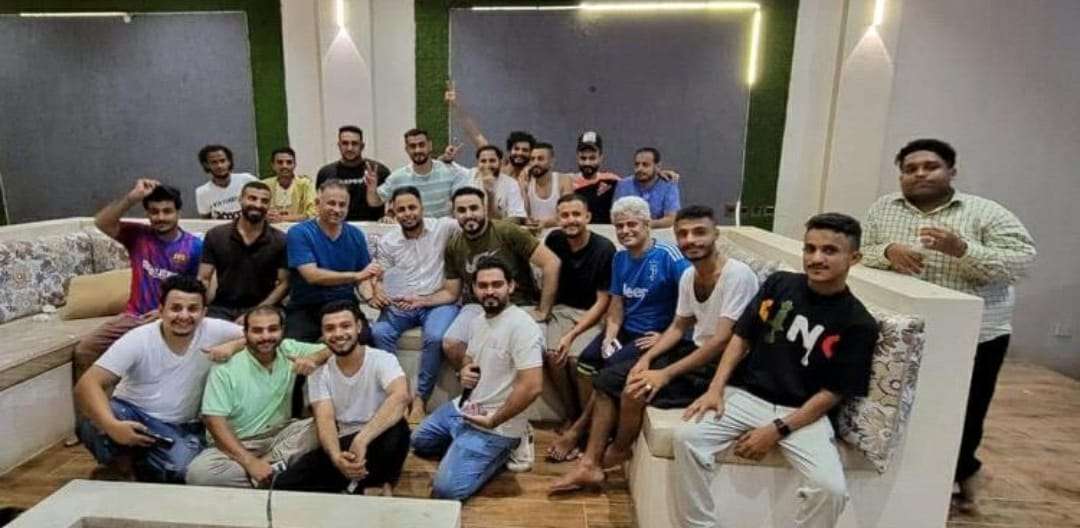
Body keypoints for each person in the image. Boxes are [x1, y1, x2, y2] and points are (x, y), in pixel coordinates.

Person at [861, 139, 1036, 513]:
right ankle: (937, 476)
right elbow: (862, 252)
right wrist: (888, 251)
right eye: (910, 169)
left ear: (951, 171)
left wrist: (962, 250)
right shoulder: (883, 209)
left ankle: (958, 475)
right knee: (914, 411)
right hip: (905, 334)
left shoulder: (986, 213)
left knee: (964, 413)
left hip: (977, 335)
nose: (920, 174)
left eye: (931, 166)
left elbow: (1020, 264)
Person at [672, 213, 879, 528]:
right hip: (748, 395)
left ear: (854, 258)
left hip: (803, 412)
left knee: (831, 489)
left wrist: (776, 430)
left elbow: (833, 393)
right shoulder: (780, 284)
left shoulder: (858, 322)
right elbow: (741, 337)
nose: (816, 258)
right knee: (687, 438)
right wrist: (715, 389)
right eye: (810, 248)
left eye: (829, 251)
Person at [550, 205, 758, 489]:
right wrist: (646, 359)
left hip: (724, 365)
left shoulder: (737, 275)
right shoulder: (690, 276)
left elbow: (721, 340)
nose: (691, 240)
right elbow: (678, 326)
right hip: (691, 350)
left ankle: (619, 449)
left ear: (716, 234)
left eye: (699, 232)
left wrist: (664, 373)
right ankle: (589, 465)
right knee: (607, 378)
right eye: (683, 234)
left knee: (634, 388)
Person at [546, 196, 689, 485]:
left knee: (608, 373)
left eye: (632, 224)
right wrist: (610, 334)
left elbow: (693, 302)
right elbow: (617, 304)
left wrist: (667, 334)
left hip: (653, 337)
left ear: (647, 224)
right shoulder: (620, 259)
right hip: (625, 330)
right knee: (586, 362)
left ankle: (579, 433)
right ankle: (593, 429)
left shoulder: (669, 256)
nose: (625, 231)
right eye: (620, 226)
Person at [74, 276, 243, 483]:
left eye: (192, 309)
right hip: (131, 413)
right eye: (176, 308)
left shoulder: (215, 329)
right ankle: (121, 465)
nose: (184, 315)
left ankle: (137, 467)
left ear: (203, 313)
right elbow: (87, 384)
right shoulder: (139, 338)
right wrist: (112, 426)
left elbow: (262, 336)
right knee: (92, 421)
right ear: (161, 310)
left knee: (183, 471)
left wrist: (233, 346)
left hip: (179, 426)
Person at [410, 257, 544, 501]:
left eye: (497, 284)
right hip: (467, 408)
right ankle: (462, 443)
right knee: (420, 441)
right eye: (483, 285)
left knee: (446, 491)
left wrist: (494, 420)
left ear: (511, 286)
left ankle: (512, 444)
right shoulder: (478, 320)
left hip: (498, 424)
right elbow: (469, 359)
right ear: (473, 289)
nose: (489, 291)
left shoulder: (523, 327)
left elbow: (532, 386)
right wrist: (464, 369)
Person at [185, 306, 330, 488]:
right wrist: (250, 462)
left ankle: (266, 471)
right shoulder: (225, 369)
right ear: (245, 333)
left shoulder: (288, 349)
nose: (265, 336)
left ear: (282, 330)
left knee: (325, 426)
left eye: (272, 329)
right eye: (257, 331)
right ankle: (276, 475)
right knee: (199, 474)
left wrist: (314, 358)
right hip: (236, 444)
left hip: (280, 436)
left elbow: (333, 348)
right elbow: (214, 421)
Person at [74, 180, 202, 381]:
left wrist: (166, 313)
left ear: (178, 213)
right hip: (133, 317)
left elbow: (199, 290)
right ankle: (93, 401)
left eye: (167, 211)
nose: (161, 217)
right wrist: (132, 198)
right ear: (147, 214)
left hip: (170, 320)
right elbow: (101, 223)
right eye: (154, 212)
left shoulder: (194, 247)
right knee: (84, 350)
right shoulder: (138, 236)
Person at [281, 301, 411, 496]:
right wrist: (336, 457)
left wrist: (362, 439)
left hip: (378, 436)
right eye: (330, 328)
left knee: (398, 429)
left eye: (345, 326)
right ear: (323, 334)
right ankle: (357, 486)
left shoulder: (382, 359)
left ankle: (369, 485)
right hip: (342, 441)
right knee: (284, 484)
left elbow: (400, 397)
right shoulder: (319, 371)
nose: (338, 333)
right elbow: (325, 419)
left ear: (358, 327)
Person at [435, 187, 560, 369]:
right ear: (454, 214)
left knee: (532, 349)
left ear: (484, 208)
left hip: (519, 304)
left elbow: (551, 263)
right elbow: (451, 292)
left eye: (473, 208)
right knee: (452, 344)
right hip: (477, 305)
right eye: (461, 210)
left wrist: (543, 311)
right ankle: (478, 383)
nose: (468, 215)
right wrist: (419, 300)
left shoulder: (508, 231)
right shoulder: (454, 244)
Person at [369, 187, 461, 419]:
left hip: (437, 301)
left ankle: (420, 398)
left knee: (436, 337)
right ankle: (397, 395)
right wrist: (378, 290)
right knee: (379, 332)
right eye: (401, 209)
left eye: (412, 207)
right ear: (393, 213)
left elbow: (475, 221)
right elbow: (382, 277)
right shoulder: (389, 242)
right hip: (403, 302)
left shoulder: (444, 228)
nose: (407, 213)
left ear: (422, 207)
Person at [541, 194, 616, 462]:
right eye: (564, 215)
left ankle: (587, 427)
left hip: (592, 313)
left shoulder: (604, 248)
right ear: (558, 218)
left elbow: (603, 301)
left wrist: (572, 334)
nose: (570, 220)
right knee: (553, 355)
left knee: (576, 360)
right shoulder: (554, 240)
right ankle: (572, 415)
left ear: (587, 217)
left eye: (576, 214)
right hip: (562, 310)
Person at [285, 180, 382, 342]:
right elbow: (312, 276)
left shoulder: (356, 235)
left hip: (344, 305)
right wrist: (355, 276)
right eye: (331, 203)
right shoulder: (299, 232)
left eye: (342, 205)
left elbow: (364, 277)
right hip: (306, 306)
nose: (337, 209)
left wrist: (370, 297)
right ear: (318, 204)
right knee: (291, 346)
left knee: (365, 338)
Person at [198, 181, 289, 322]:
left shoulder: (280, 240)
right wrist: (197, 307)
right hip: (221, 308)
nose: (258, 204)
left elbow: (284, 283)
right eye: (252, 198)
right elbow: (203, 278)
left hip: (265, 308)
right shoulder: (215, 236)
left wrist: (256, 312)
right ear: (240, 200)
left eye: (264, 201)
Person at [367, 128, 471, 219]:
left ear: (430, 146)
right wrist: (371, 189)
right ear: (407, 150)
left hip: (443, 233)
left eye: (421, 145)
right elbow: (374, 202)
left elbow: (462, 203)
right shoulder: (397, 177)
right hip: (412, 232)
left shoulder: (450, 172)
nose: (417, 150)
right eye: (413, 146)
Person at [315, 126, 391, 222]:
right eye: (345, 143)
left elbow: (393, 202)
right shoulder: (325, 173)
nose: (349, 148)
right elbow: (319, 204)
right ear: (339, 145)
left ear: (362, 146)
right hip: (336, 226)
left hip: (373, 228)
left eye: (354, 143)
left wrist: (389, 216)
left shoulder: (379, 171)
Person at [443, 144, 527, 223]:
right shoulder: (470, 175)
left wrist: (494, 226)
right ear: (478, 163)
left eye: (492, 161)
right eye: (483, 161)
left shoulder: (511, 184)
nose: (487, 165)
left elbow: (517, 216)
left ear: (500, 162)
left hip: (499, 230)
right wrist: (446, 157)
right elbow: (448, 165)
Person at [613, 147, 680, 228]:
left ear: (658, 166)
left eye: (645, 165)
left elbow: (671, 219)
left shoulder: (668, 185)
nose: (639, 169)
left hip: (659, 232)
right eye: (637, 164)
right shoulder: (624, 185)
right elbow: (616, 216)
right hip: (628, 231)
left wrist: (644, 225)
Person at [570, 131, 622, 224]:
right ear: (577, 157)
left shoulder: (612, 180)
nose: (587, 163)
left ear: (601, 157)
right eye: (583, 158)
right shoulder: (569, 182)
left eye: (592, 158)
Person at [194, 144, 257, 220]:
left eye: (222, 161)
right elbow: (206, 220)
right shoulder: (202, 192)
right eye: (214, 162)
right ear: (206, 165)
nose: (219, 166)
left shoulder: (247, 179)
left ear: (229, 162)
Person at [523, 142, 574, 229]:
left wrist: (545, 223)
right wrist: (523, 190)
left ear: (552, 162)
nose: (535, 163)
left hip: (559, 233)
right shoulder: (526, 183)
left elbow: (567, 213)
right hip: (533, 233)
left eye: (540, 159)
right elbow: (523, 216)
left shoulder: (564, 180)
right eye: (532, 159)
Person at [262, 147, 316, 222]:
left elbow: (313, 213)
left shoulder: (305, 184)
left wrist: (282, 218)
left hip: (300, 228)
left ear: (295, 165)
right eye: (280, 162)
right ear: (273, 165)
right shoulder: (265, 185)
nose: (284, 166)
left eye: (289, 162)